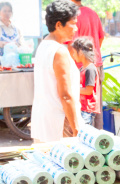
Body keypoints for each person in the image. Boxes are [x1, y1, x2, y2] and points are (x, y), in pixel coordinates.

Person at [31, 0, 84, 143]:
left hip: (43, 123)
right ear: (59, 25)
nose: (75, 28)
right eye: (73, 23)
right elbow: (66, 95)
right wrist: (76, 128)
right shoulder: (59, 51)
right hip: (60, 124)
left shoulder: (43, 46)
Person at [70, 0, 105, 129]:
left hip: (80, 65)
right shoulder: (93, 13)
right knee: (96, 103)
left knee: (85, 107)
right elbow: (101, 37)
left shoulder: (72, 16)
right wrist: (92, 55)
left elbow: (71, 44)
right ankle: (99, 135)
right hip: (96, 62)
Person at [71, 37, 100, 126]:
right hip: (82, 108)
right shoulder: (82, 69)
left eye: (74, 52)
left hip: (87, 110)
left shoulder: (90, 69)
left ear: (80, 52)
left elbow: (88, 91)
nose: (73, 55)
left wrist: (72, 89)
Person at [0, 2, 24, 66]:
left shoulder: (16, 29)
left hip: (16, 65)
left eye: (9, 11)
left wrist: (18, 46)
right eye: (4, 11)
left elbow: (22, 45)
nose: (7, 13)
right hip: (0, 66)